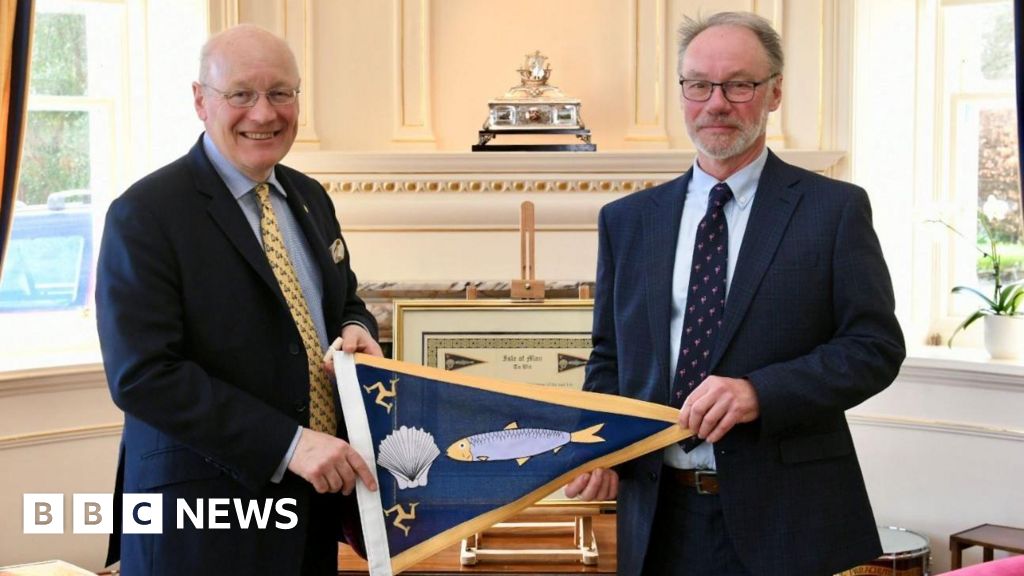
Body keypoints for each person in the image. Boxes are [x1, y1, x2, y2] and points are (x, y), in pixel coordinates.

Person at [565, 11, 905, 576]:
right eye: (698, 84)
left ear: (773, 93)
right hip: (657, 517)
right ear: (682, 94)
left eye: (738, 84)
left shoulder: (833, 211)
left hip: (788, 518)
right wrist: (603, 446)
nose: (716, 103)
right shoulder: (627, 221)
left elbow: (874, 348)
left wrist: (759, 392)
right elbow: (609, 359)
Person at [96, 24, 381, 575]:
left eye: (280, 93)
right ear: (201, 101)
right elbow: (143, 375)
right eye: (241, 94)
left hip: (312, 510)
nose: (264, 113)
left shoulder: (309, 197)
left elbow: (344, 302)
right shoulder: (145, 214)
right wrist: (290, 444)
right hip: (200, 526)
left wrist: (356, 326)